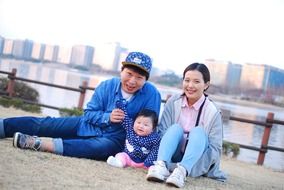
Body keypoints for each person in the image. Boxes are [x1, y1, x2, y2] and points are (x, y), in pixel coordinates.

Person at [0, 52, 161, 161]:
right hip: (87, 125)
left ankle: (36, 144)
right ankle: (3, 127)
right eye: (129, 74)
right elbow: (89, 113)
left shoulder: (152, 94)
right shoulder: (107, 85)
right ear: (121, 71)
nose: (132, 81)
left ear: (145, 80)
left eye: (139, 77)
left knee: (98, 147)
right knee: (47, 124)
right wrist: (107, 117)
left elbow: (149, 127)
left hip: (115, 139)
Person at [146, 63, 227, 188]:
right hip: (172, 155)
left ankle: (181, 171)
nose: (190, 85)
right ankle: (161, 166)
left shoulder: (213, 111)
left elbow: (215, 150)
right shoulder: (173, 102)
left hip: (196, 160)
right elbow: (162, 133)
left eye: (196, 81)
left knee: (198, 132)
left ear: (206, 85)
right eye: (187, 80)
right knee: (175, 128)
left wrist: (188, 168)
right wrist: (169, 163)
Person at [106, 99, 160, 169]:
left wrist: (149, 162)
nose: (141, 126)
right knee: (121, 155)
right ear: (134, 122)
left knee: (153, 164)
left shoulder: (155, 138)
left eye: (146, 125)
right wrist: (120, 106)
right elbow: (124, 117)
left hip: (143, 162)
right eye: (138, 122)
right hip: (128, 157)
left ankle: (152, 169)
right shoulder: (130, 127)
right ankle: (119, 163)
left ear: (153, 129)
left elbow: (154, 152)